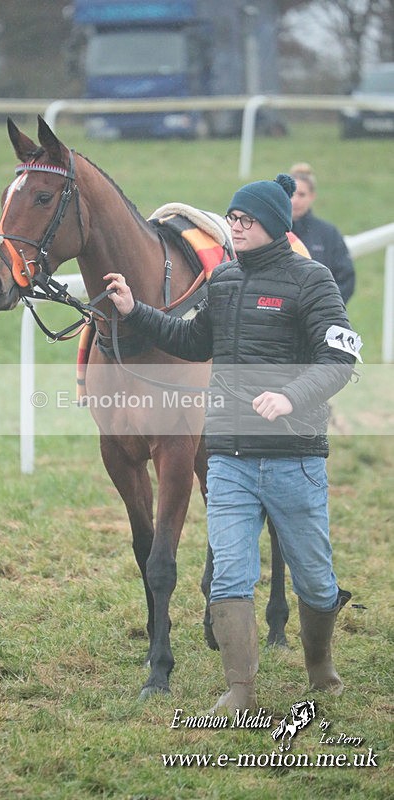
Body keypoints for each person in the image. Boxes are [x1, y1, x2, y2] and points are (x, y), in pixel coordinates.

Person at [104, 174, 361, 714]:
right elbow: (191, 341)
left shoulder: (313, 280)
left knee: (315, 582)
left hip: (295, 458)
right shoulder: (221, 281)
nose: (234, 227)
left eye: (244, 220)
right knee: (231, 575)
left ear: (272, 225)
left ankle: (320, 666)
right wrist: (134, 312)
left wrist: (291, 398)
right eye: (233, 218)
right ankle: (239, 690)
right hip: (229, 459)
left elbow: (340, 360)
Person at [289, 162, 356, 304]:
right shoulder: (272, 232)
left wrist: (325, 309)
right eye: (291, 194)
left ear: (312, 196)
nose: (295, 200)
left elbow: (346, 279)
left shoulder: (328, 234)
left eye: (301, 194)